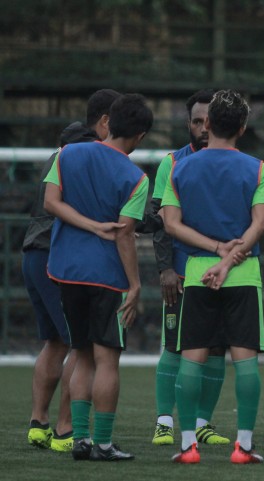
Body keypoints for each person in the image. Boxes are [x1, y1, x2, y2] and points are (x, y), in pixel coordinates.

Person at [163, 90, 264, 465]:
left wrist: (214, 250)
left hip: (196, 275)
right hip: (244, 275)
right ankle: (243, 446)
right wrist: (230, 258)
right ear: (243, 127)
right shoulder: (257, 168)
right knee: (245, 362)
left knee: (191, 360)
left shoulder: (179, 168)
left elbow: (171, 225)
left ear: (207, 124)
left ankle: (187, 445)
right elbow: (260, 225)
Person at [44, 93, 153, 461]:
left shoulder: (67, 153)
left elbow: (51, 202)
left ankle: (80, 439)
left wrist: (87, 224)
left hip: (66, 272)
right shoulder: (136, 178)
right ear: (139, 136)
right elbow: (124, 234)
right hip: (108, 277)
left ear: (108, 122)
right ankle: (103, 443)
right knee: (107, 360)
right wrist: (135, 285)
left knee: (81, 354)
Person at [23, 89, 121, 453]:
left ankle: (39, 423)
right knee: (80, 348)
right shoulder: (88, 155)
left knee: (55, 341)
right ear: (105, 123)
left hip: (31, 252)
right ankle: (65, 429)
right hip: (55, 256)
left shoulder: (58, 154)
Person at [147, 89, 230, 447]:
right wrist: (165, 268)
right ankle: (165, 422)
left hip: (223, 273)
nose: (203, 127)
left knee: (216, 348)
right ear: (188, 123)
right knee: (175, 346)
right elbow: (159, 220)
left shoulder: (236, 162)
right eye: (197, 121)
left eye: (209, 121)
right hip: (181, 273)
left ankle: (202, 423)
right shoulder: (172, 162)